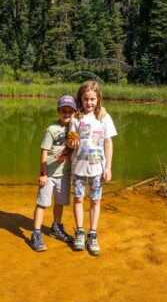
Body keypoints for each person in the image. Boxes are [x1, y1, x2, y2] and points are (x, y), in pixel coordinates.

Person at [68, 80, 117, 255]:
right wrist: (71, 143)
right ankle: (80, 232)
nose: (89, 103)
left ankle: (93, 234)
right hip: (78, 167)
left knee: (95, 200)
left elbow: (108, 143)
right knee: (78, 199)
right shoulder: (76, 118)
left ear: (98, 99)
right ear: (80, 99)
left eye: (92, 99)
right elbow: (71, 141)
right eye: (85, 99)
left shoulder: (104, 117)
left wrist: (108, 167)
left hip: (97, 168)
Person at [30, 95, 78, 252]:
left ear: (75, 113)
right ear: (58, 111)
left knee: (60, 202)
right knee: (42, 203)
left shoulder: (75, 128)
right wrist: (43, 173)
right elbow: (44, 151)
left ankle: (56, 227)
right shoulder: (51, 129)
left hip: (64, 173)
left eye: (70, 111)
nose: (67, 114)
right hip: (49, 173)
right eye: (63, 111)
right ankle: (36, 233)